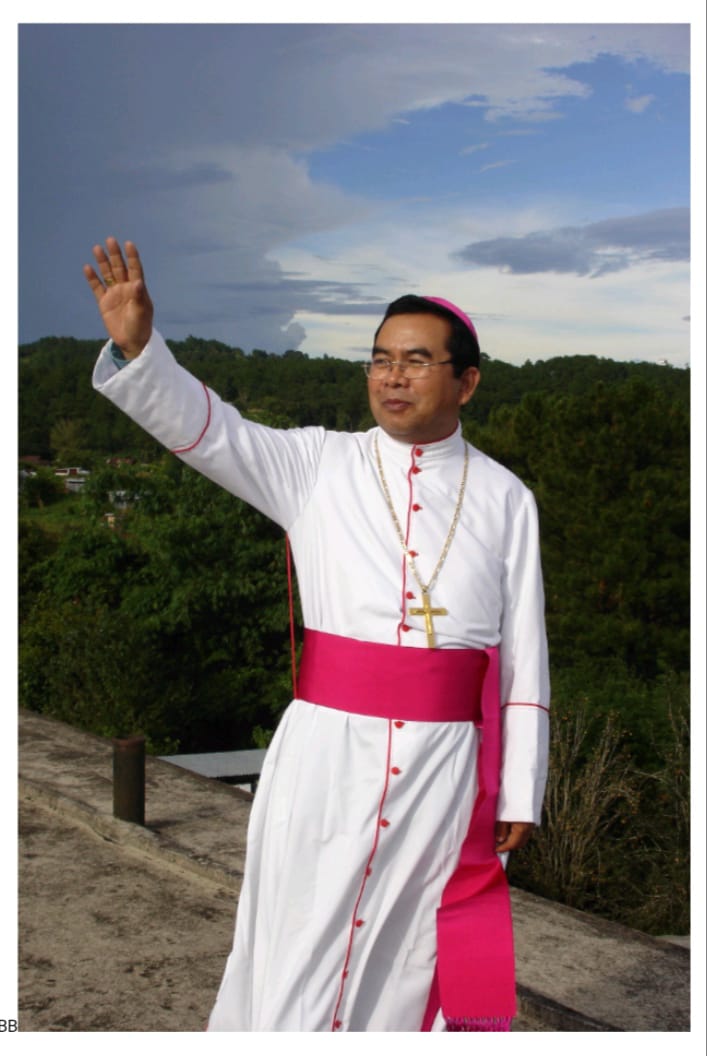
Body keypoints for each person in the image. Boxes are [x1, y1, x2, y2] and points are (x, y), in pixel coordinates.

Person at [84, 237, 550, 1032]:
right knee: (298, 937)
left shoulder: (507, 498)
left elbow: (524, 658)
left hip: (442, 774)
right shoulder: (314, 464)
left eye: (415, 360)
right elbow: (212, 431)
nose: (391, 376)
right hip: (326, 759)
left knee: (411, 956)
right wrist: (139, 347)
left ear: (465, 381)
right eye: (377, 359)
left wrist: (520, 788)